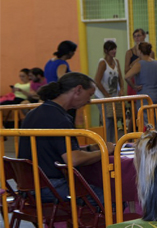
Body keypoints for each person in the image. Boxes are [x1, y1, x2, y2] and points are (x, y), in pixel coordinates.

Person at [18, 72, 115, 203]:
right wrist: (105, 151)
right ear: (78, 90)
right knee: (113, 198)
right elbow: (73, 159)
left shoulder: (34, 113)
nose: (89, 101)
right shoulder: (60, 119)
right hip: (50, 186)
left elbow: (54, 150)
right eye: (89, 95)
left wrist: (89, 149)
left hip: (27, 186)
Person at [125, 42, 157, 126]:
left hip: (145, 96)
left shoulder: (139, 64)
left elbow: (127, 76)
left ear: (139, 51)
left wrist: (134, 86)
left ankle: (150, 138)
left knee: (147, 123)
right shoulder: (156, 63)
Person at [94, 40, 124, 143]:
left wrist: (121, 90)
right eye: (112, 49)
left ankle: (113, 142)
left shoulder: (116, 62)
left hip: (113, 95)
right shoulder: (103, 63)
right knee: (107, 120)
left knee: (114, 119)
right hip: (102, 96)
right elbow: (97, 81)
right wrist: (106, 95)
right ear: (106, 51)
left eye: (115, 49)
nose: (114, 51)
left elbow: (120, 77)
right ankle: (107, 143)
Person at [124, 28, 155, 96]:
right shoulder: (130, 52)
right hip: (134, 82)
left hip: (146, 81)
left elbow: (151, 68)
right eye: (134, 36)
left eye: (138, 36)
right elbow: (126, 71)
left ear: (144, 36)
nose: (136, 38)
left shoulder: (151, 52)